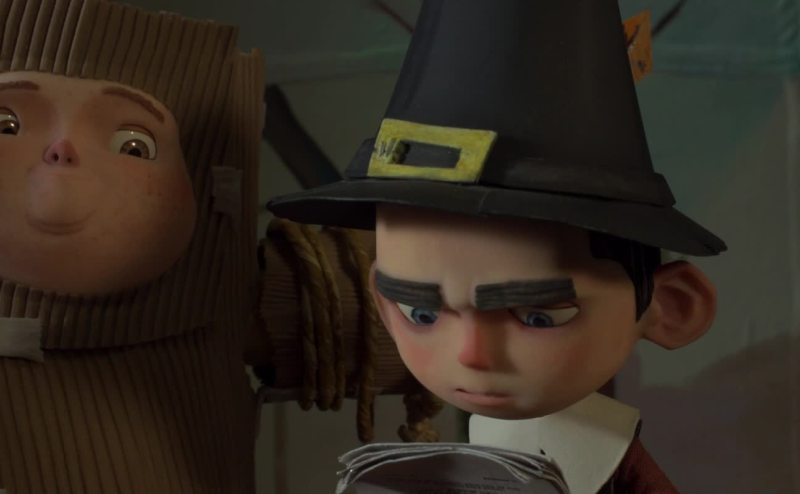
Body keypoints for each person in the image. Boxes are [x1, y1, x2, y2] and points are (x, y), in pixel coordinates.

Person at [268, 0, 726, 491]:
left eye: (539, 317)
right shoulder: (463, 453)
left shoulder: (611, 458)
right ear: (381, 302)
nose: (473, 355)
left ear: (672, 308)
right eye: (421, 313)